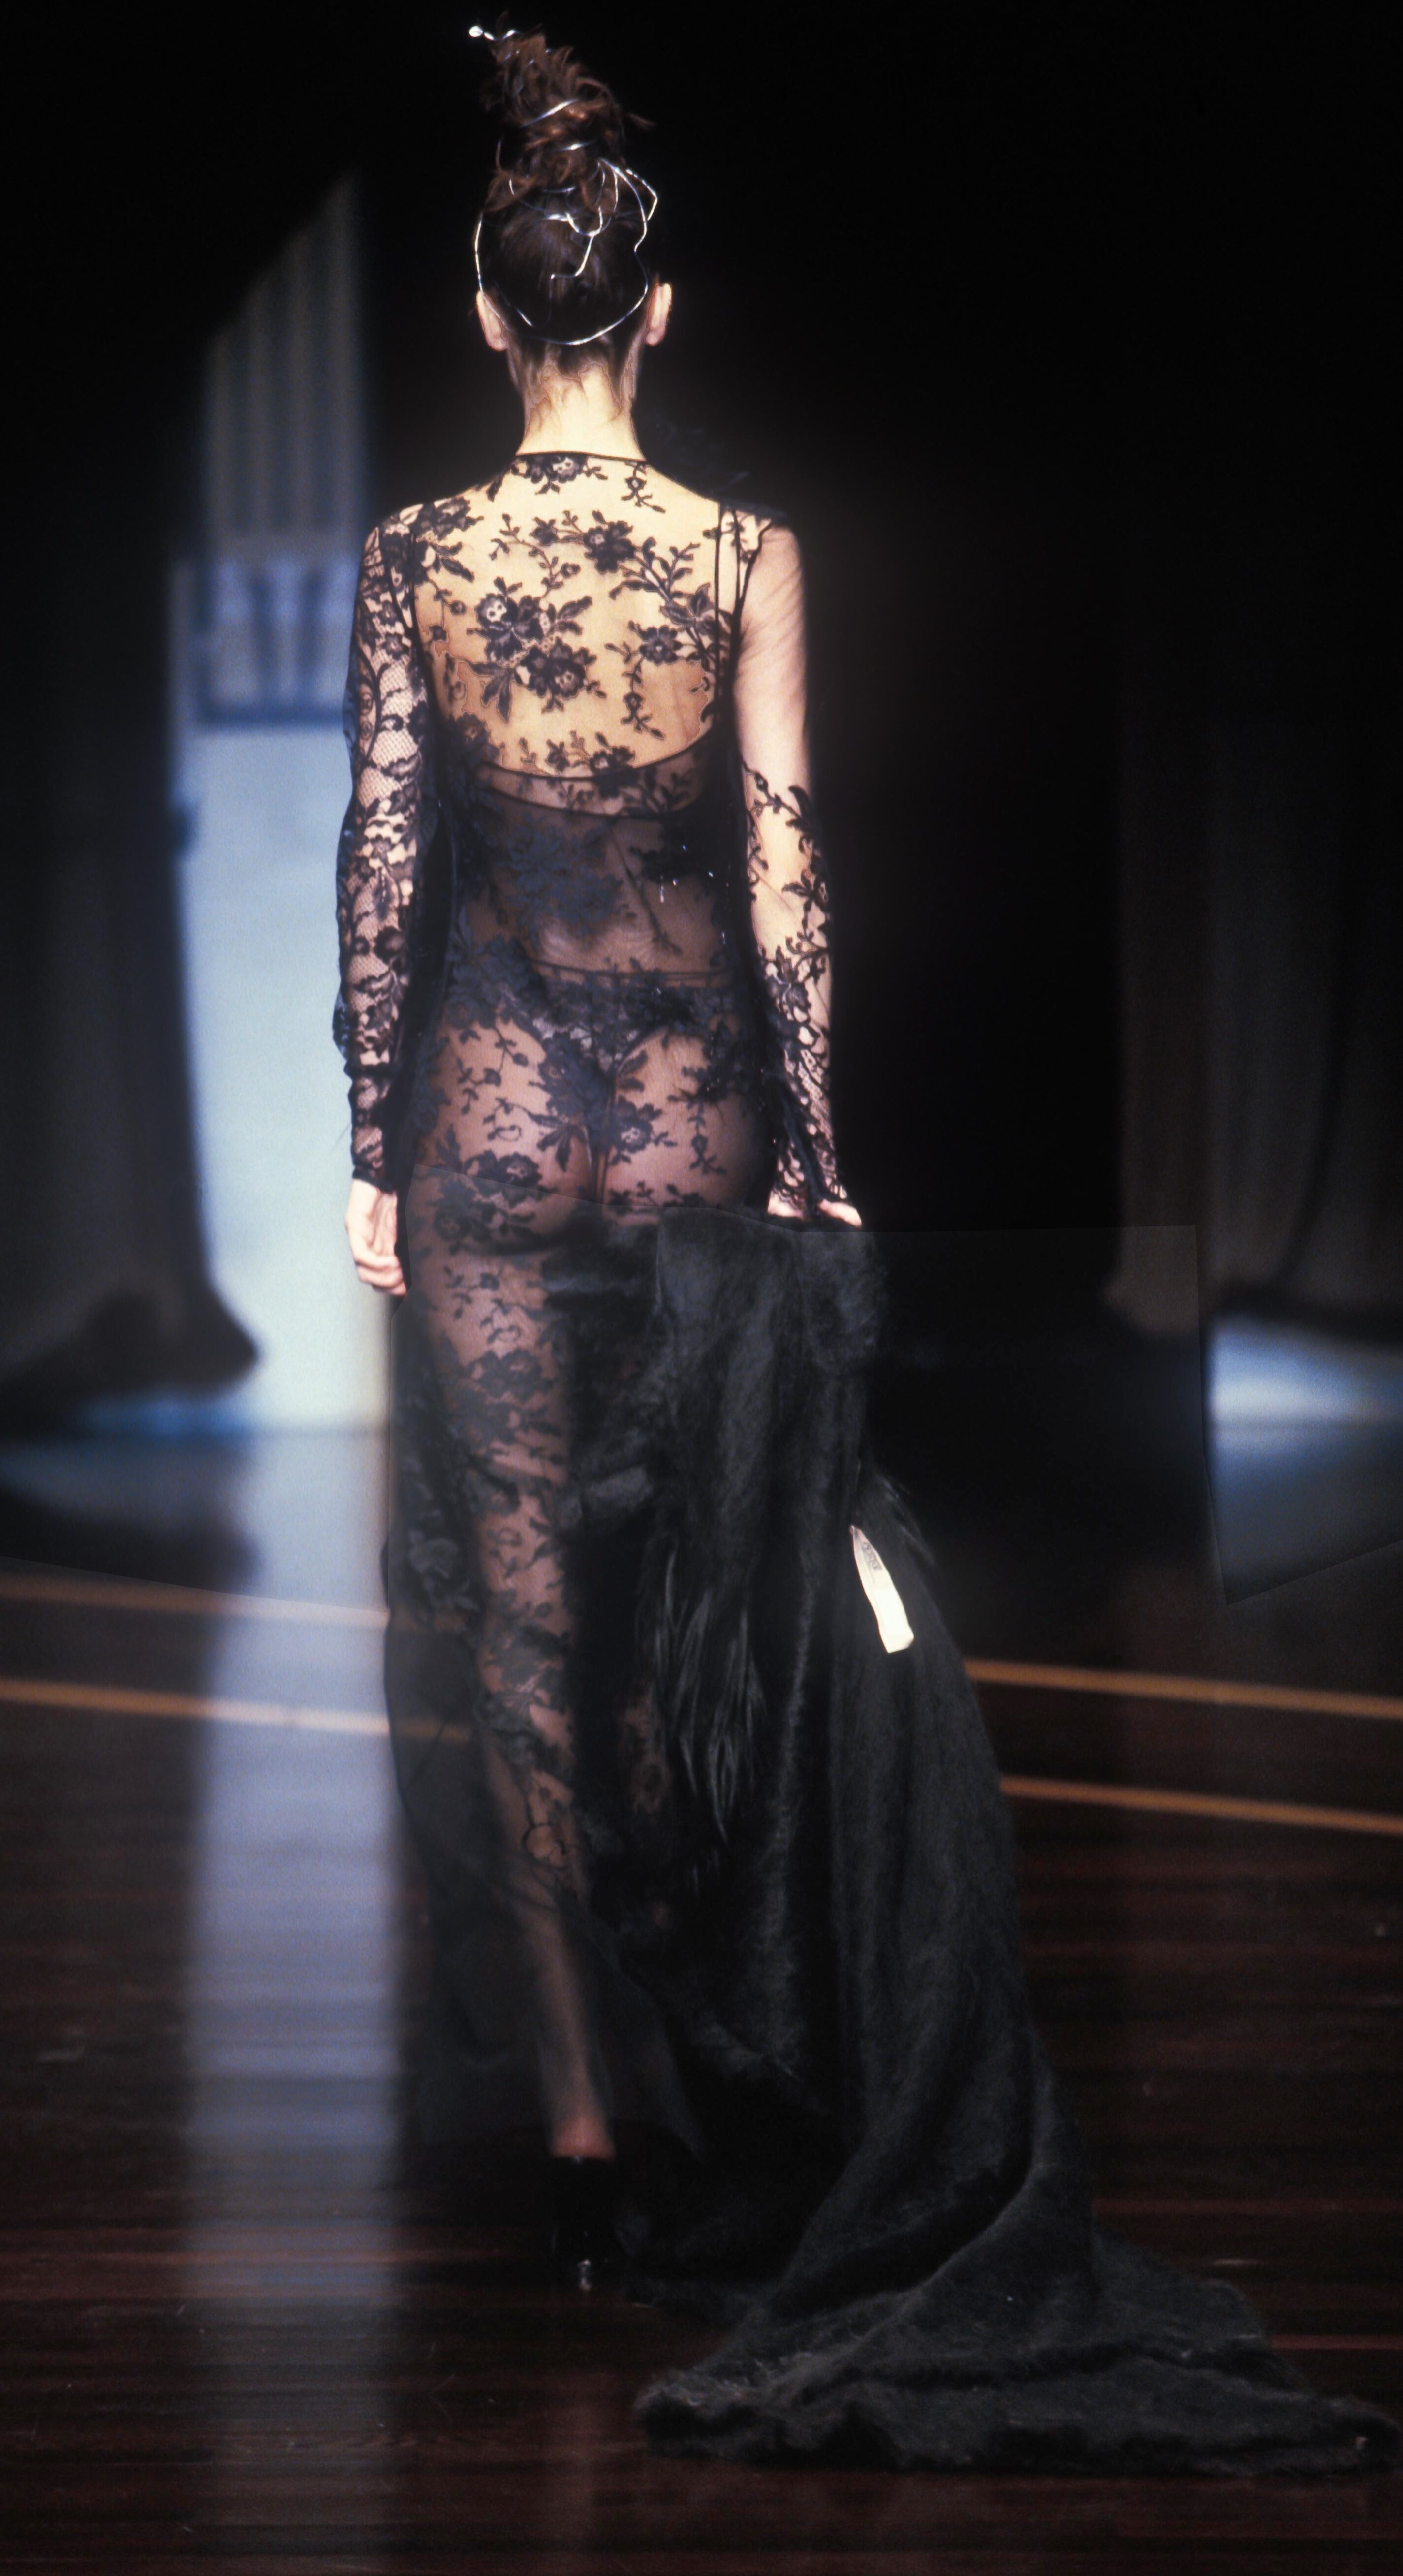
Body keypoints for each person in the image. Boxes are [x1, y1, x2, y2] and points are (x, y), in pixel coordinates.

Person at [335, 24, 1396, 2475]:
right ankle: (750, 2072)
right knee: (716, 1595)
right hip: (687, 1103)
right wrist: (813, 1148)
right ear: (656, 313)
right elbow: (785, 871)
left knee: (523, 1630)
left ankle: (586, 2135)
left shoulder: (412, 558)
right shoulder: (738, 554)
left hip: (486, 1107)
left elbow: (390, 854)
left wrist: (372, 1135)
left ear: (490, 318)